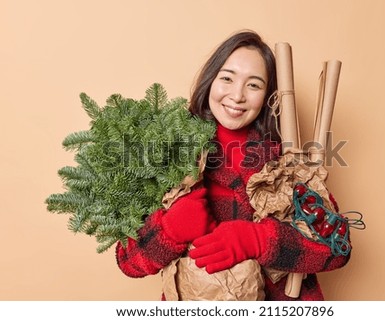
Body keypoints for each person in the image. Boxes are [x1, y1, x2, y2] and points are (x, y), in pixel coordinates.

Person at [115, 30, 350, 300]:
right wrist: (170, 228)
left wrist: (258, 239)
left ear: (268, 97)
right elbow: (129, 261)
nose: (237, 95)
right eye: (227, 78)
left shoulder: (286, 162)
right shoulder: (168, 154)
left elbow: (337, 248)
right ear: (210, 82)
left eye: (254, 85)